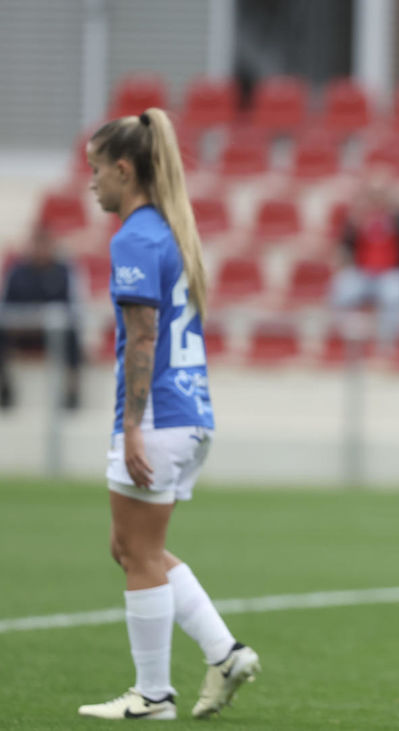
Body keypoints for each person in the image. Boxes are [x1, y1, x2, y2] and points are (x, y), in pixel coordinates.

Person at [75, 108, 260, 721]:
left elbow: (144, 336)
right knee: (130, 547)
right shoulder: (170, 230)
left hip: (159, 417)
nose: (92, 183)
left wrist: (129, 425)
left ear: (124, 170)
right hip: (192, 413)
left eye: (97, 170)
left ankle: (153, 694)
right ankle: (224, 652)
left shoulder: (135, 236)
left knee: (139, 551)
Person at [330, 166, 399, 348]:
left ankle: (386, 344)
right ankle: (343, 341)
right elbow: (345, 246)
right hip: (362, 272)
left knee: (394, 296)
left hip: (391, 272)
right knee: (341, 291)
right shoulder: (358, 217)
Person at [0, 226, 84, 410]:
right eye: (37, 245)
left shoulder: (64, 272)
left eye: (45, 245)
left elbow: (73, 309)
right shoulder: (17, 272)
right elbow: (6, 309)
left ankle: (72, 392)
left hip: (55, 334)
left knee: (74, 338)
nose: (40, 250)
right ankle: (4, 389)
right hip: (22, 332)